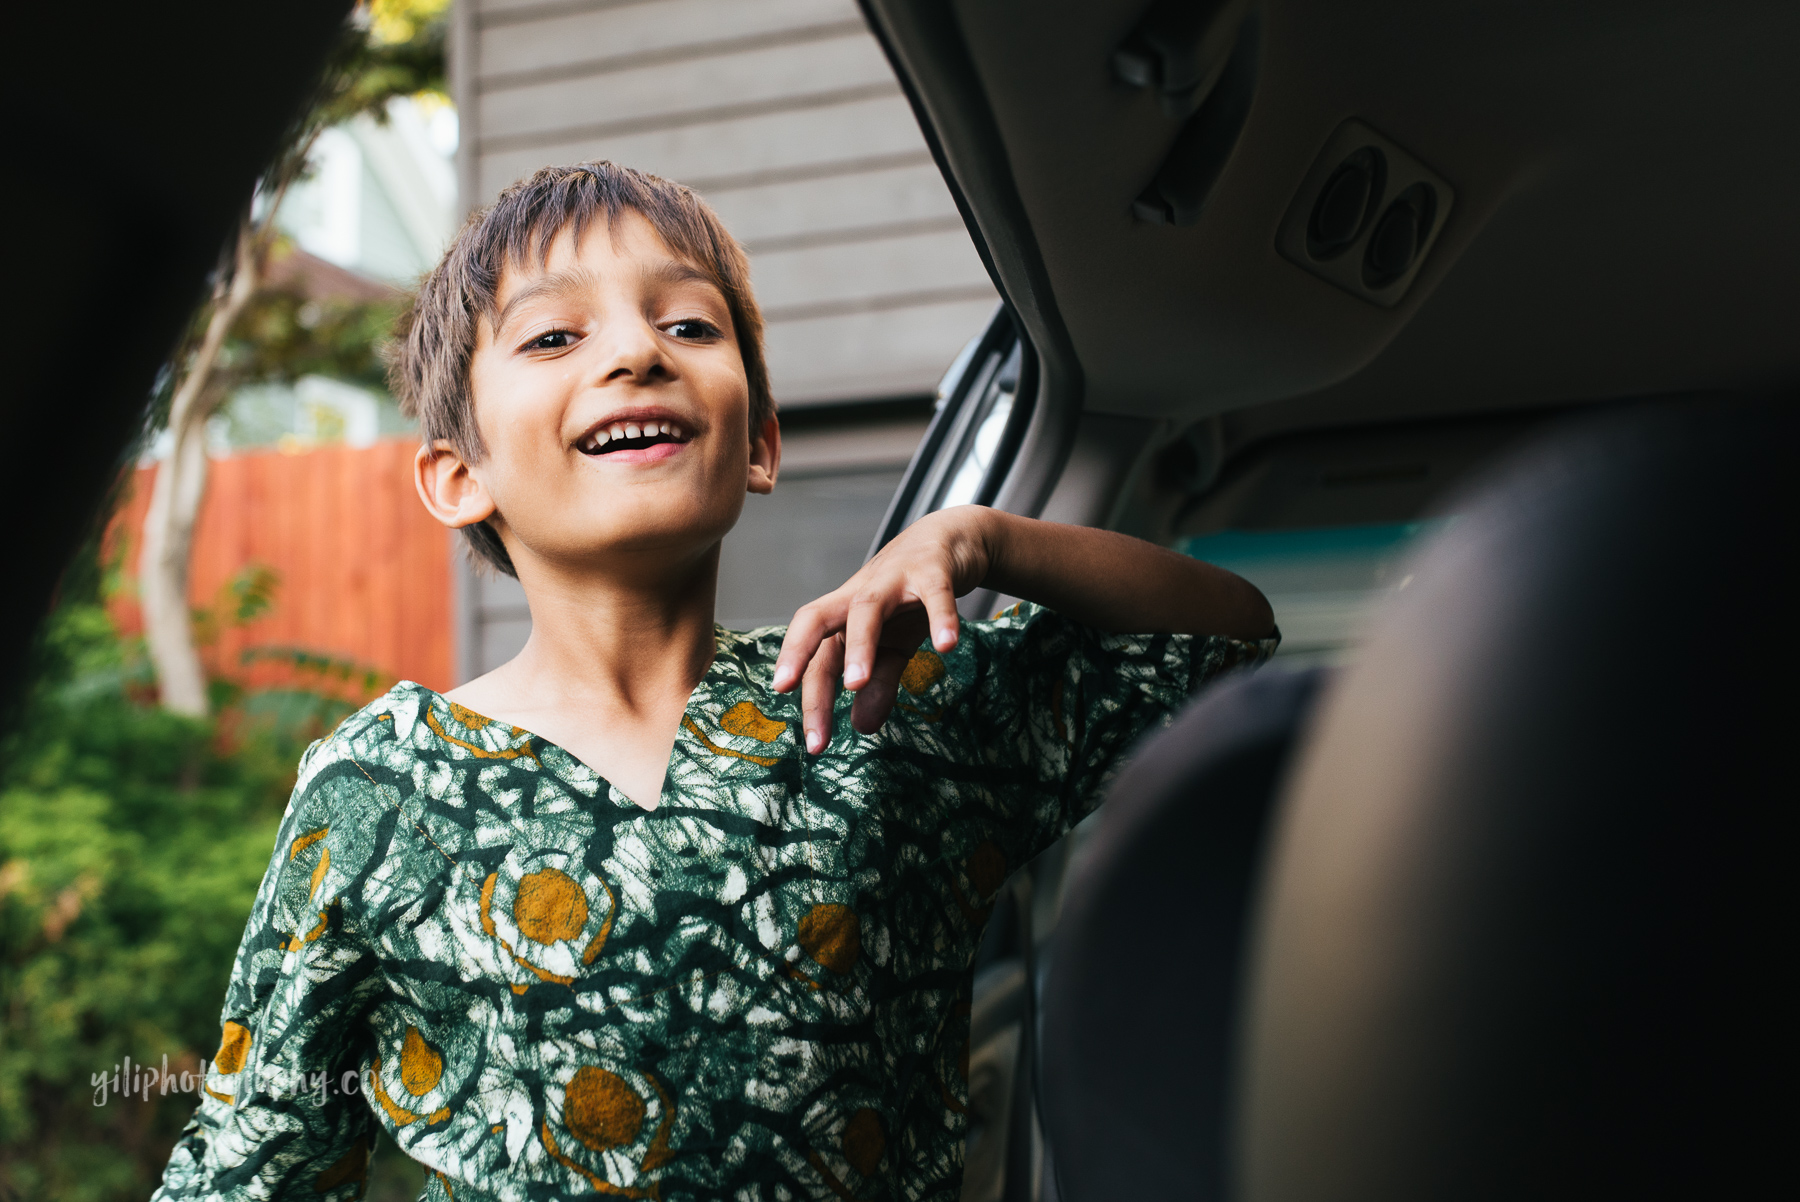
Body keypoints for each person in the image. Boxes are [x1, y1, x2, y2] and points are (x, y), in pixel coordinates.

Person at [152, 161, 1277, 1201]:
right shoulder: (377, 790)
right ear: (458, 476)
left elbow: (1228, 633)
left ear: (760, 444)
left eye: (688, 322)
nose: (639, 352)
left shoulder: (887, 702)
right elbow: (253, 1159)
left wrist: (985, 539)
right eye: (553, 338)